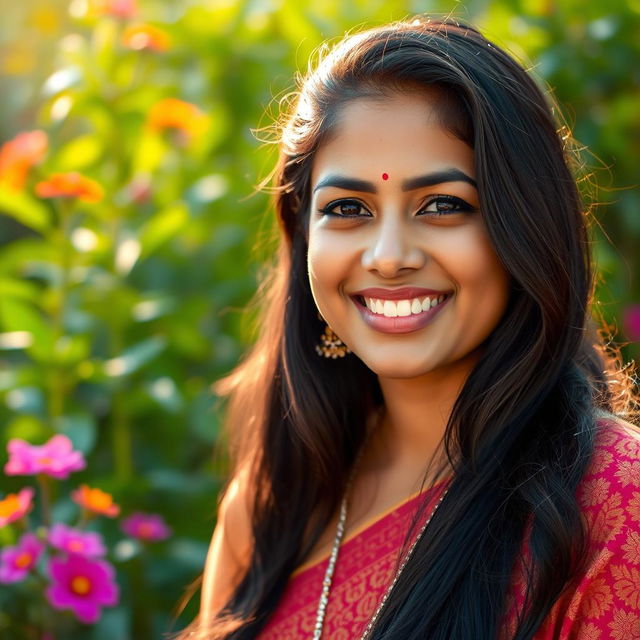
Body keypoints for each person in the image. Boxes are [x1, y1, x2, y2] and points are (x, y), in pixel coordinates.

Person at [175, 15, 640, 640]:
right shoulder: (270, 511)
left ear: (524, 225)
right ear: (302, 234)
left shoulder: (613, 507)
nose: (389, 255)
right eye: (348, 209)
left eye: (443, 205)